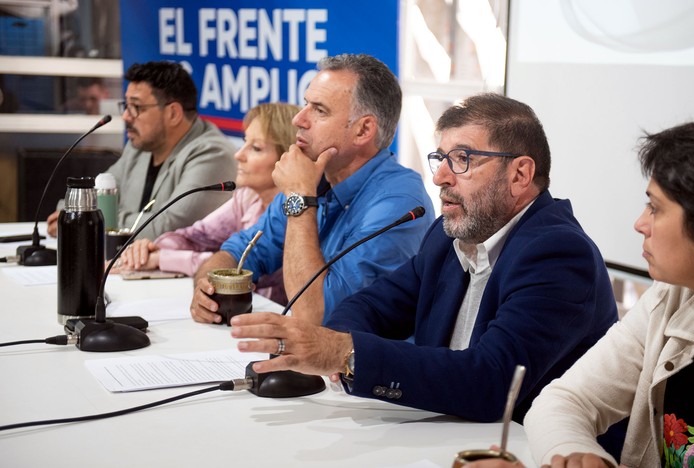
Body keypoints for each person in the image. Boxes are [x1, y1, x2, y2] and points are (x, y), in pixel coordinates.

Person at [228, 93, 618, 424]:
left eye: (462, 158)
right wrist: (336, 345)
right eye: (440, 158)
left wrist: (346, 354)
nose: (440, 177)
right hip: (443, 434)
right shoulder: (448, 238)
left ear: (520, 174)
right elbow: (369, 306)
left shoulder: (558, 255)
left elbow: (493, 381)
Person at [190, 53, 435, 325]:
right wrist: (207, 285)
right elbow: (243, 251)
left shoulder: (399, 203)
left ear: (363, 130)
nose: (299, 119)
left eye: (319, 110)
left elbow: (316, 315)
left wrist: (299, 198)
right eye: (305, 103)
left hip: (366, 363)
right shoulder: (313, 176)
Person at [523, 122, 694, 468]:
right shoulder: (669, 297)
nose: (640, 223)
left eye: (655, 207)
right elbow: (563, 401)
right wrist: (585, 459)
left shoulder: (554, 248)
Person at [115, 102, 301, 305]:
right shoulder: (247, 197)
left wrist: (163, 258)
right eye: (244, 142)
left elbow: (248, 274)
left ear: (287, 158)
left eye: (256, 148)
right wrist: (149, 252)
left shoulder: (299, 210)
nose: (239, 154)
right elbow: (192, 237)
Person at [46, 61, 237, 239]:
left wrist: (85, 220)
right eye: (126, 106)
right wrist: (80, 213)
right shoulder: (140, 146)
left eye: (137, 107)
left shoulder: (213, 154)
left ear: (173, 113)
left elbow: (169, 228)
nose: (126, 116)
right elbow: (99, 194)